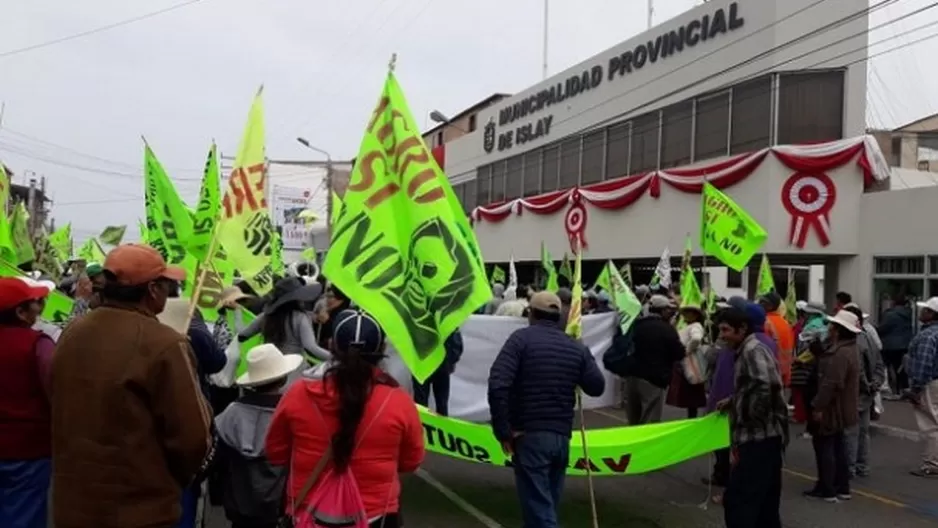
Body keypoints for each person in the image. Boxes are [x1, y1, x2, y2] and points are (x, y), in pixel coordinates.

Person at [51, 244, 213, 528]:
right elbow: (193, 438)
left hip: (74, 505)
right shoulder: (165, 343)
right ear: (152, 290)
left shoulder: (72, 332)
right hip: (140, 509)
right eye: (167, 284)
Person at [266, 310, 424, 527]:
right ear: (381, 350)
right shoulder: (398, 401)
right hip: (376, 513)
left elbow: (276, 453)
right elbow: (410, 461)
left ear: (331, 345)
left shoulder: (298, 394)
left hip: (307, 511)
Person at [487, 291, 605, 528]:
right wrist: (583, 355)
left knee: (540, 510)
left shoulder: (520, 340)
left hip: (529, 435)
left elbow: (498, 384)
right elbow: (596, 386)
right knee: (543, 505)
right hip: (561, 437)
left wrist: (503, 431)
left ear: (531, 313)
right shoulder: (575, 347)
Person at [215, 344, 302, 528]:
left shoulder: (232, 412)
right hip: (278, 504)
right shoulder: (291, 413)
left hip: (239, 504)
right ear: (283, 378)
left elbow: (218, 454)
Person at [717, 307, 788, 528]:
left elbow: (765, 387)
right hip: (761, 439)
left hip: (759, 439)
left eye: (726, 330)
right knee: (764, 507)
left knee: (739, 502)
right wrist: (733, 401)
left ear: (742, 329)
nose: (722, 335)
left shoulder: (753, 350)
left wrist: (748, 416)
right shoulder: (746, 349)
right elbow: (754, 386)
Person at [0, 277, 55, 528]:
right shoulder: (38, 345)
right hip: (27, 451)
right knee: (23, 515)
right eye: (35, 303)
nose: (40, 307)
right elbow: (56, 392)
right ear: (21, 313)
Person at [805, 310, 860, 503]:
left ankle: (827, 488)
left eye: (832, 326)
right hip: (840, 405)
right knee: (837, 446)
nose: (829, 328)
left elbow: (832, 383)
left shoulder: (840, 353)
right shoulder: (847, 349)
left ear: (838, 330)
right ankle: (841, 486)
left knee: (825, 446)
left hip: (832, 407)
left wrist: (818, 406)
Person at [620, 294, 685, 425]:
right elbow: (679, 353)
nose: (670, 312)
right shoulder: (667, 330)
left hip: (631, 377)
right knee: (650, 420)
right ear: (663, 310)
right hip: (653, 380)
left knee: (633, 420)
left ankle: (633, 444)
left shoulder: (636, 325)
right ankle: (645, 445)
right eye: (668, 309)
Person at [239, 277, 328, 367]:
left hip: (268, 367)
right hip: (293, 368)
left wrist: (237, 312)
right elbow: (311, 347)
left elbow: (242, 336)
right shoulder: (300, 318)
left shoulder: (265, 316)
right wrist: (335, 359)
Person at [842, 304, 885, 477]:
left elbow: (857, 369)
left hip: (855, 393)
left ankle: (849, 467)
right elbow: (879, 365)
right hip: (867, 394)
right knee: (863, 432)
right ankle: (862, 465)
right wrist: (875, 384)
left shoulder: (855, 342)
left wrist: (867, 385)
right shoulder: (868, 338)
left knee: (850, 432)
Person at [905, 297, 938, 477]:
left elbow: (924, 363)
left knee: (930, 424)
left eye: (925, 309)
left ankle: (932, 464)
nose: (921, 312)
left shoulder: (927, 335)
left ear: (932, 314)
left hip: (930, 383)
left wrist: (915, 388)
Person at [667, 303, 706, 418]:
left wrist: (687, 350)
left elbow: (696, 338)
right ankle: (691, 416)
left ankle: (692, 418)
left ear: (695, 315)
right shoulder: (686, 326)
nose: (686, 315)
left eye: (689, 313)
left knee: (691, 392)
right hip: (685, 361)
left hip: (690, 361)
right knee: (689, 394)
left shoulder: (696, 326)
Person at [412, 330, 463, 416]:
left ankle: (422, 426)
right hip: (441, 362)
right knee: (441, 404)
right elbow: (455, 338)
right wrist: (452, 360)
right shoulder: (444, 317)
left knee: (421, 404)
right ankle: (442, 427)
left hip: (422, 363)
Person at [878, 294, 913, 397]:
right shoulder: (909, 314)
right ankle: (903, 388)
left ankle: (890, 389)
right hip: (904, 345)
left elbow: (883, 328)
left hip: (889, 345)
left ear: (893, 303)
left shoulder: (890, 314)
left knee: (886, 367)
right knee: (901, 368)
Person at [760, 292, 795, 389]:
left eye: (762, 302)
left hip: (769, 373)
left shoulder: (765, 322)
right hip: (783, 374)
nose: (759, 304)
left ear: (770, 306)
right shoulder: (786, 323)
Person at [313, 283, 352, 348]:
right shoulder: (326, 309)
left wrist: (327, 322)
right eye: (327, 296)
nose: (327, 300)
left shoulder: (345, 315)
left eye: (331, 297)